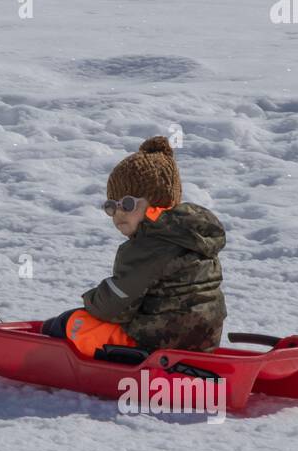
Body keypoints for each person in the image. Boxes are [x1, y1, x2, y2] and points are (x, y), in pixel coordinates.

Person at [40, 137, 227, 357]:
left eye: (127, 204)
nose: (119, 214)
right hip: (204, 340)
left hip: (155, 341)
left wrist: (90, 300)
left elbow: (113, 308)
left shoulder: (146, 246)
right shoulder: (193, 235)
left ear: (157, 202)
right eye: (112, 206)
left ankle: (56, 356)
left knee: (67, 324)